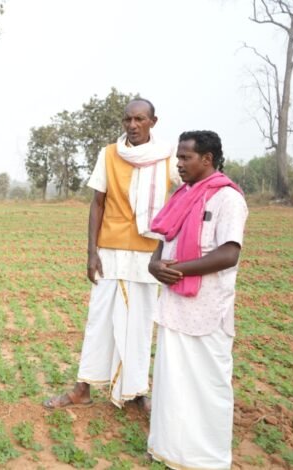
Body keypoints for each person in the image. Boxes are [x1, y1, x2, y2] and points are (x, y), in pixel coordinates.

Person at [43, 99, 177, 411]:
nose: (132, 125)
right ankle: (83, 388)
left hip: (149, 252)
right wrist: (91, 252)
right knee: (99, 320)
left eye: (139, 119)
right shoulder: (109, 153)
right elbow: (98, 203)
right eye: (127, 119)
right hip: (110, 249)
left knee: (140, 324)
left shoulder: (168, 156)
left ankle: (135, 392)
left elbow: (188, 194)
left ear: (152, 122)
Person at [147, 131, 247, 469]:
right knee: (172, 380)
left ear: (207, 159)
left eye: (186, 157)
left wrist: (179, 270)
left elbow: (229, 253)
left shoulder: (227, 199)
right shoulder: (182, 195)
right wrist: (154, 264)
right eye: (178, 157)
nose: (179, 164)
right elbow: (165, 238)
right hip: (176, 303)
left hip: (207, 306)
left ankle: (207, 458)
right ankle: (170, 450)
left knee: (207, 384)